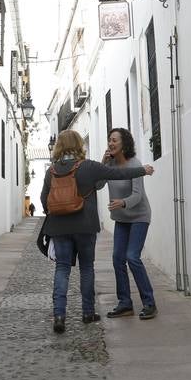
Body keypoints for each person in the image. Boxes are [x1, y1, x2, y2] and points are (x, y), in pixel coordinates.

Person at [39, 129, 153, 333]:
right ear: (78, 145)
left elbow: (43, 199)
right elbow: (118, 173)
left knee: (62, 269)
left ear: (59, 147)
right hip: (85, 226)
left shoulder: (51, 171)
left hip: (59, 227)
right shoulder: (89, 167)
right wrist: (143, 170)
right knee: (86, 268)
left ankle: (59, 315)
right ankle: (87, 312)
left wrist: (56, 212)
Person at [103, 128, 158, 320]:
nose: (111, 143)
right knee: (118, 258)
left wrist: (122, 202)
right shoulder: (109, 165)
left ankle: (149, 303)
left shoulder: (134, 164)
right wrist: (103, 164)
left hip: (139, 216)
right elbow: (98, 185)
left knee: (132, 257)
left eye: (115, 140)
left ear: (124, 144)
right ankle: (125, 303)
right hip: (122, 219)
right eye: (109, 140)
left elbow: (138, 195)